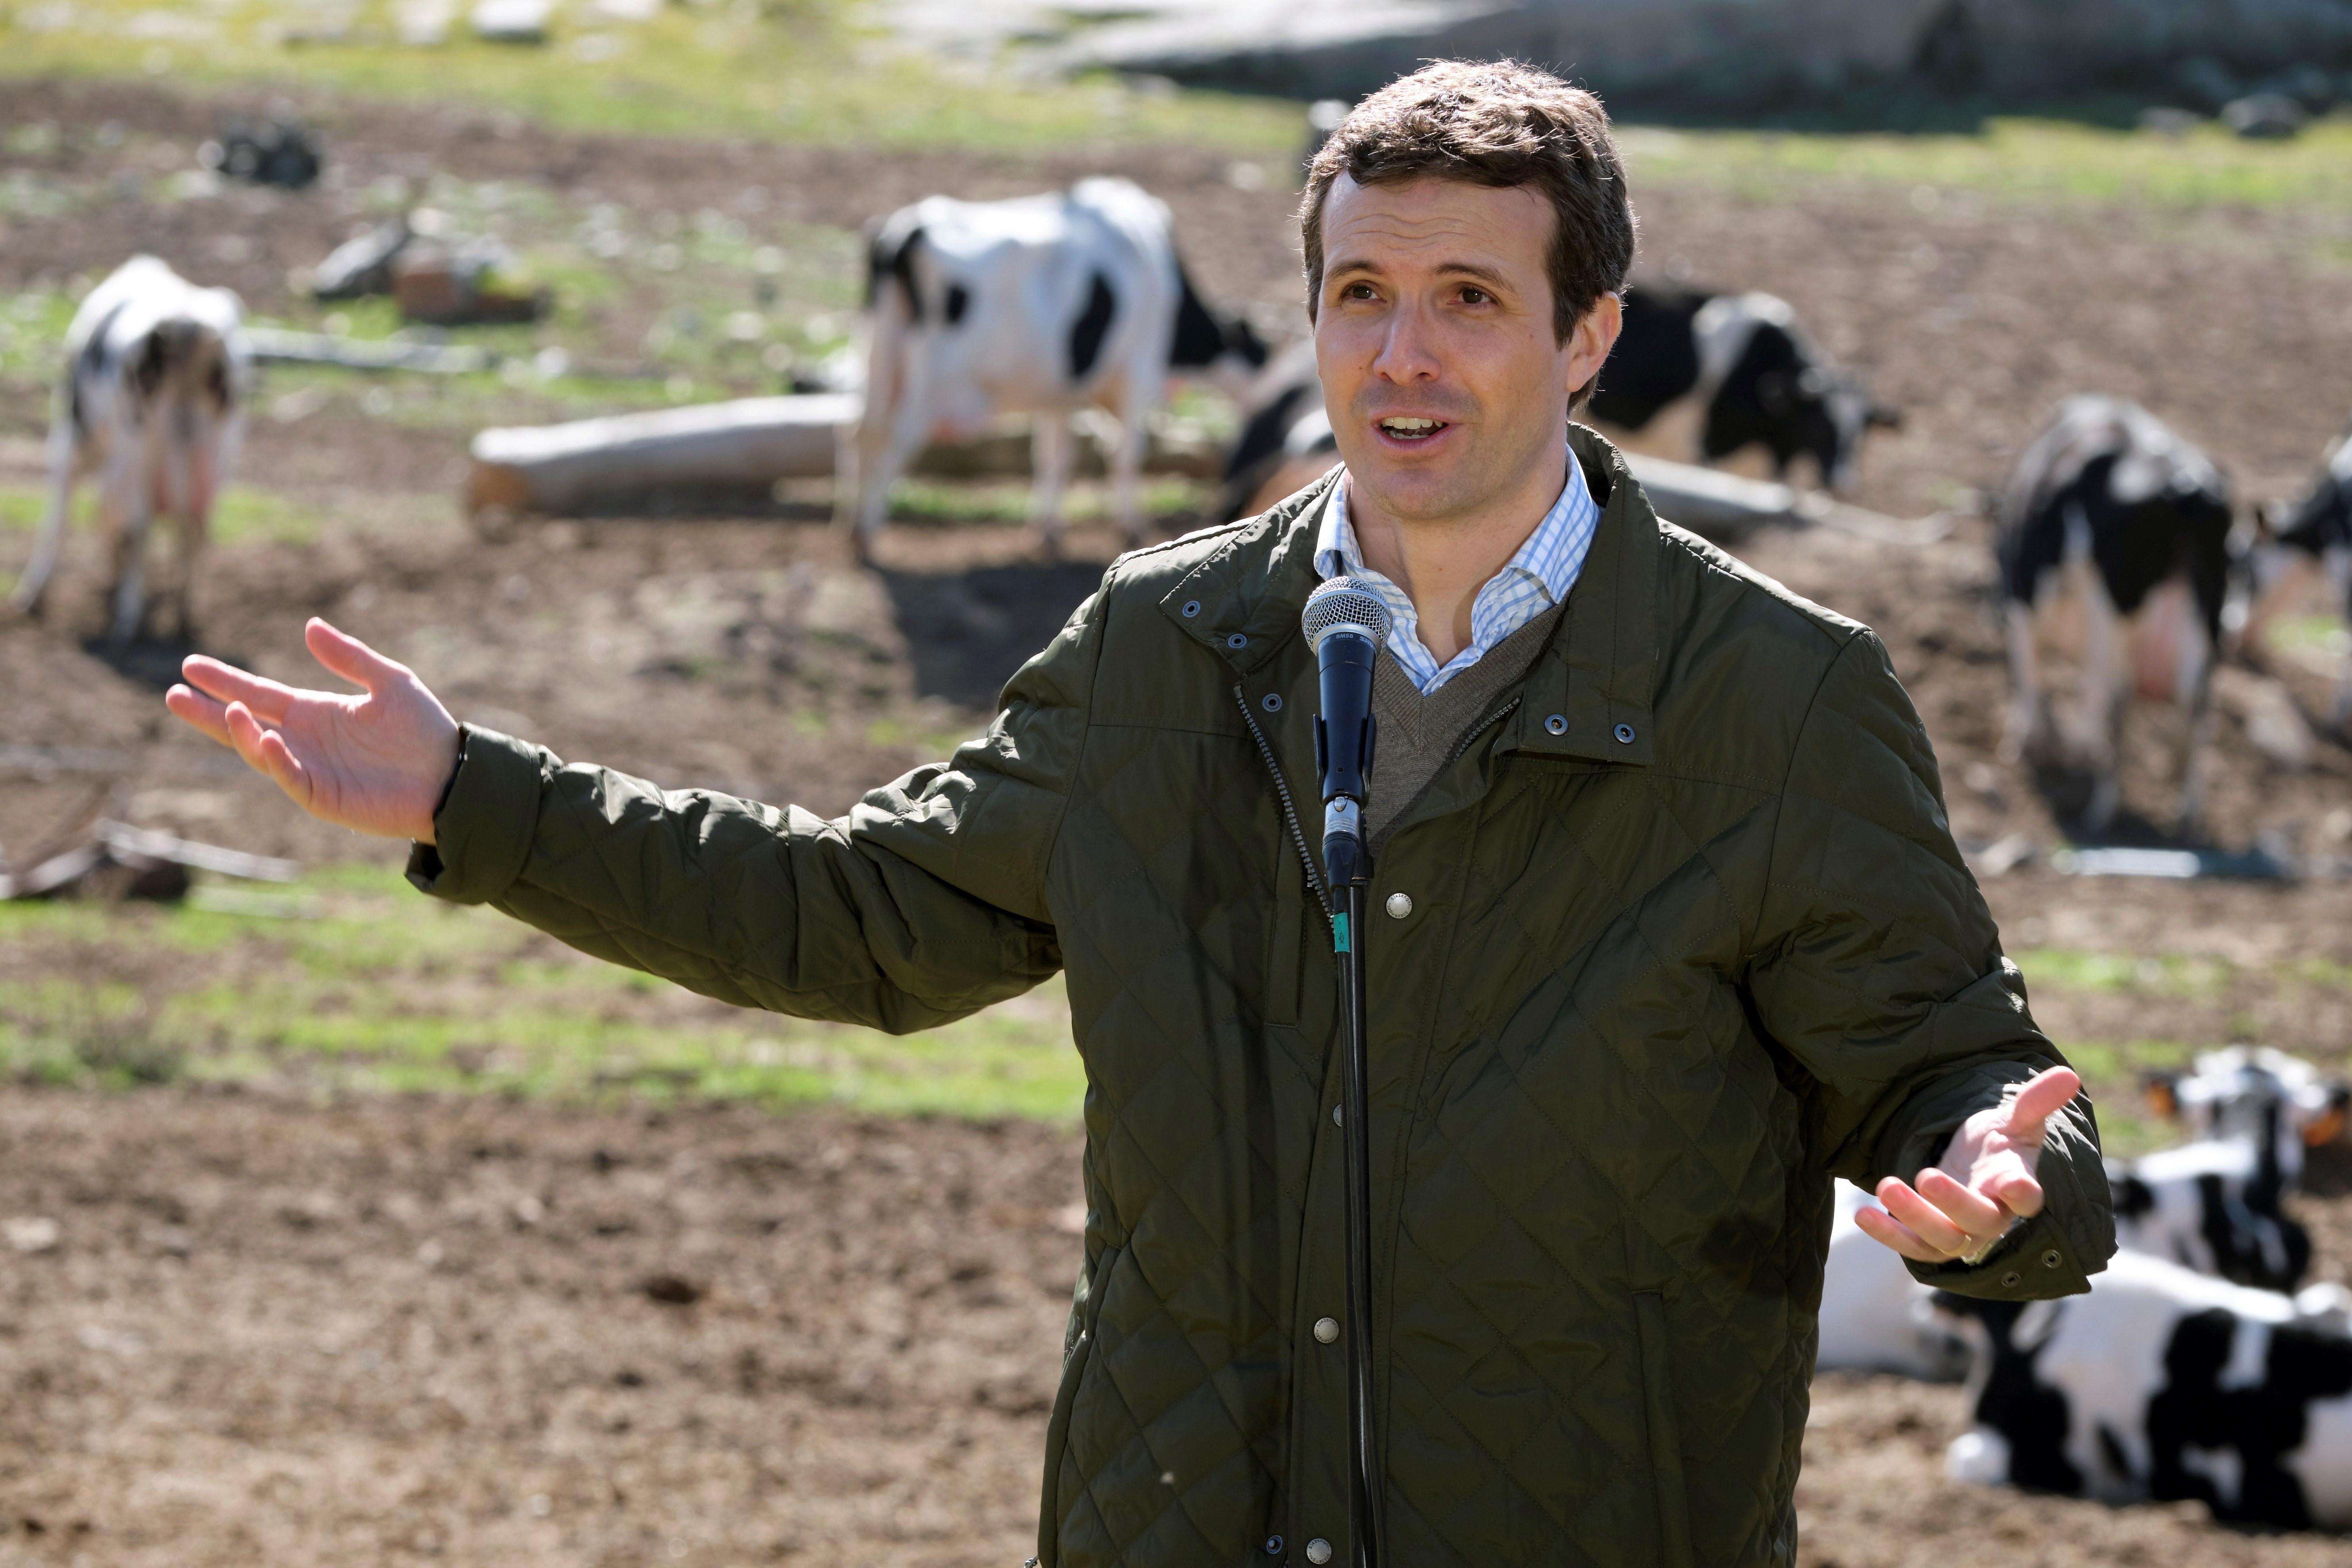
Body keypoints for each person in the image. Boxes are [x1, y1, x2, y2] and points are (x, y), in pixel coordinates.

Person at [167, 60, 2112, 1568]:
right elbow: (863, 915)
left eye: (1467, 299)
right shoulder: (1169, 645)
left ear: (1591, 336)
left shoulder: (1777, 704)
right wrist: (477, 800)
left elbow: (1967, 1080)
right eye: (1359, 292)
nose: (1399, 354)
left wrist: (2006, 1196)